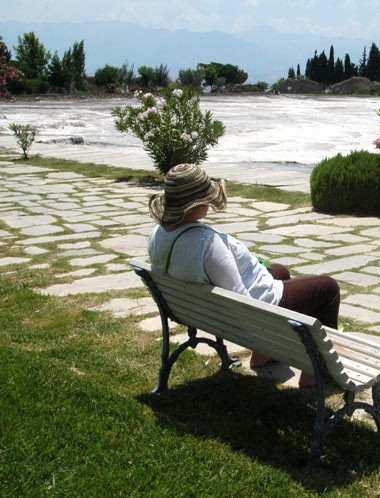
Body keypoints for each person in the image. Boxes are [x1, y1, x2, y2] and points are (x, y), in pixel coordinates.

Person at [146, 163, 340, 387]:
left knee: (279, 271)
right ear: (195, 205)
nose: (209, 204)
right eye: (206, 200)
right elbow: (243, 304)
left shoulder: (159, 234)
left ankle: (264, 354)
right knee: (327, 288)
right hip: (249, 313)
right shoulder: (206, 243)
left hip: (197, 309)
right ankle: (318, 370)